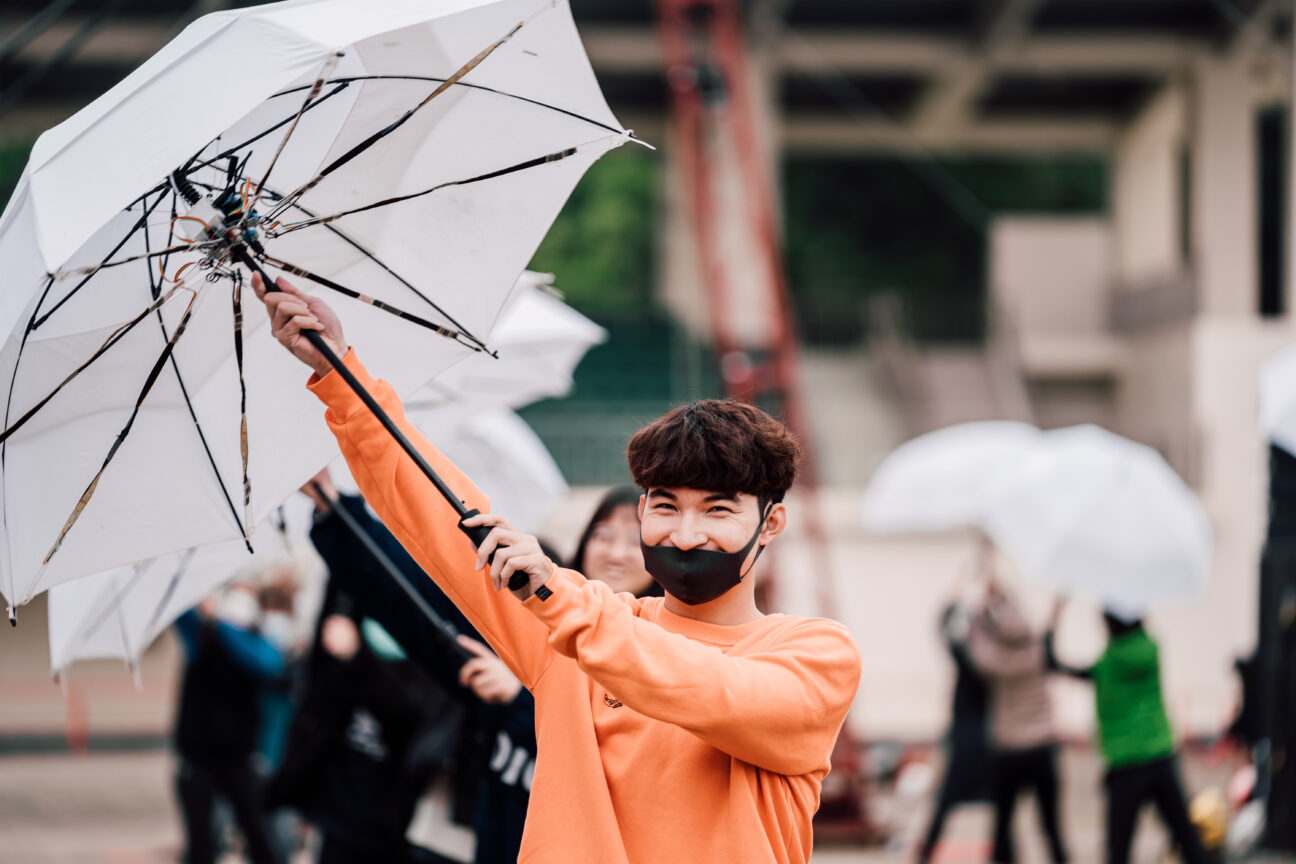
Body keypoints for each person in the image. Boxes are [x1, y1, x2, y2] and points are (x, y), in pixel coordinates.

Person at [254, 273, 862, 864]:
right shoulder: (575, 624)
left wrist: (558, 599)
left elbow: (714, 693)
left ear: (771, 524)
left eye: (718, 510)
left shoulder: (813, 653)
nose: (684, 533)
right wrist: (339, 374)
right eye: (666, 506)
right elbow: (444, 525)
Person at [302, 477, 668, 864]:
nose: (616, 553)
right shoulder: (540, 617)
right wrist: (338, 512)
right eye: (603, 535)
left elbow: (616, 756)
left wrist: (518, 700)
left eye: (636, 543)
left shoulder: (666, 651)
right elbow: (422, 608)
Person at [1048, 603, 1211, 864]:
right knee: (1187, 838)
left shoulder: (1106, 664)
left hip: (1125, 766)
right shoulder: (1152, 649)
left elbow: (1054, 664)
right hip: (1161, 756)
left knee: (1119, 849)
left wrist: (1053, 619)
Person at [173, 585, 285, 864]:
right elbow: (179, 615)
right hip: (198, 761)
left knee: (259, 837)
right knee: (201, 846)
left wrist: (221, 624)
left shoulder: (254, 647)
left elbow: (269, 663)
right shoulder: (201, 639)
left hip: (238, 760)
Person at [968, 578, 1068, 864]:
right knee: (1051, 826)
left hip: (1008, 748)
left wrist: (982, 609)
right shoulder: (1038, 646)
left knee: (1002, 826)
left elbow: (973, 640)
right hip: (1042, 745)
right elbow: (1051, 625)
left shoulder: (993, 656)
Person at [915, 598, 991, 864]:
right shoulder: (992, 665)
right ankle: (1006, 853)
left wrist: (953, 602)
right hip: (988, 746)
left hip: (965, 748)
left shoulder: (969, 662)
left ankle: (925, 855)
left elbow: (947, 635)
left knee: (945, 804)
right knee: (1002, 811)